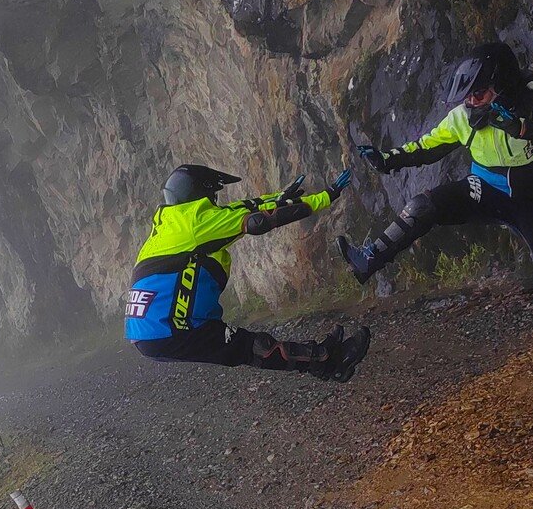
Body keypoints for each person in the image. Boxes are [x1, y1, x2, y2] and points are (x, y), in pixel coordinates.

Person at [336, 40, 533, 368]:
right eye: (467, 96)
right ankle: (369, 259)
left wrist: (525, 127)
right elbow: (427, 147)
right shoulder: (462, 117)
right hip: (488, 191)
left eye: (478, 94)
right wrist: (387, 160)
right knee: (425, 205)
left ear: (502, 85)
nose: (471, 102)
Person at [126, 163, 371, 381]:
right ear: (198, 192)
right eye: (212, 194)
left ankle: (322, 355)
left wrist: (279, 198)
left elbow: (240, 209)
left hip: (149, 329)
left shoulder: (170, 225)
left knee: (245, 344)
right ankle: (330, 362)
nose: (214, 200)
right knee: (250, 347)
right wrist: (325, 197)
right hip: (166, 328)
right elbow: (258, 220)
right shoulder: (196, 225)